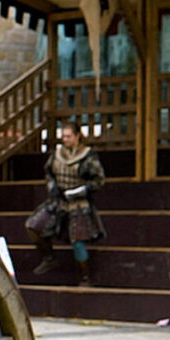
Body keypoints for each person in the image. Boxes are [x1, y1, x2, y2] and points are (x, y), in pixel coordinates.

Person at [24, 121, 105, 285]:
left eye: (68, 136)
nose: (65, 139)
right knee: (33, 225)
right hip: (58, 201)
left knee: (78, 241)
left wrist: (80, 190)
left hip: (79, 203)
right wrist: (52, 186)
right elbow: (49, 173)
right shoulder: (57, 154)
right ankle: (49, 257)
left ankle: (85, 277)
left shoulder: (88, 156)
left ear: (77, 136)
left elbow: (99, 180)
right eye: (63, 136)